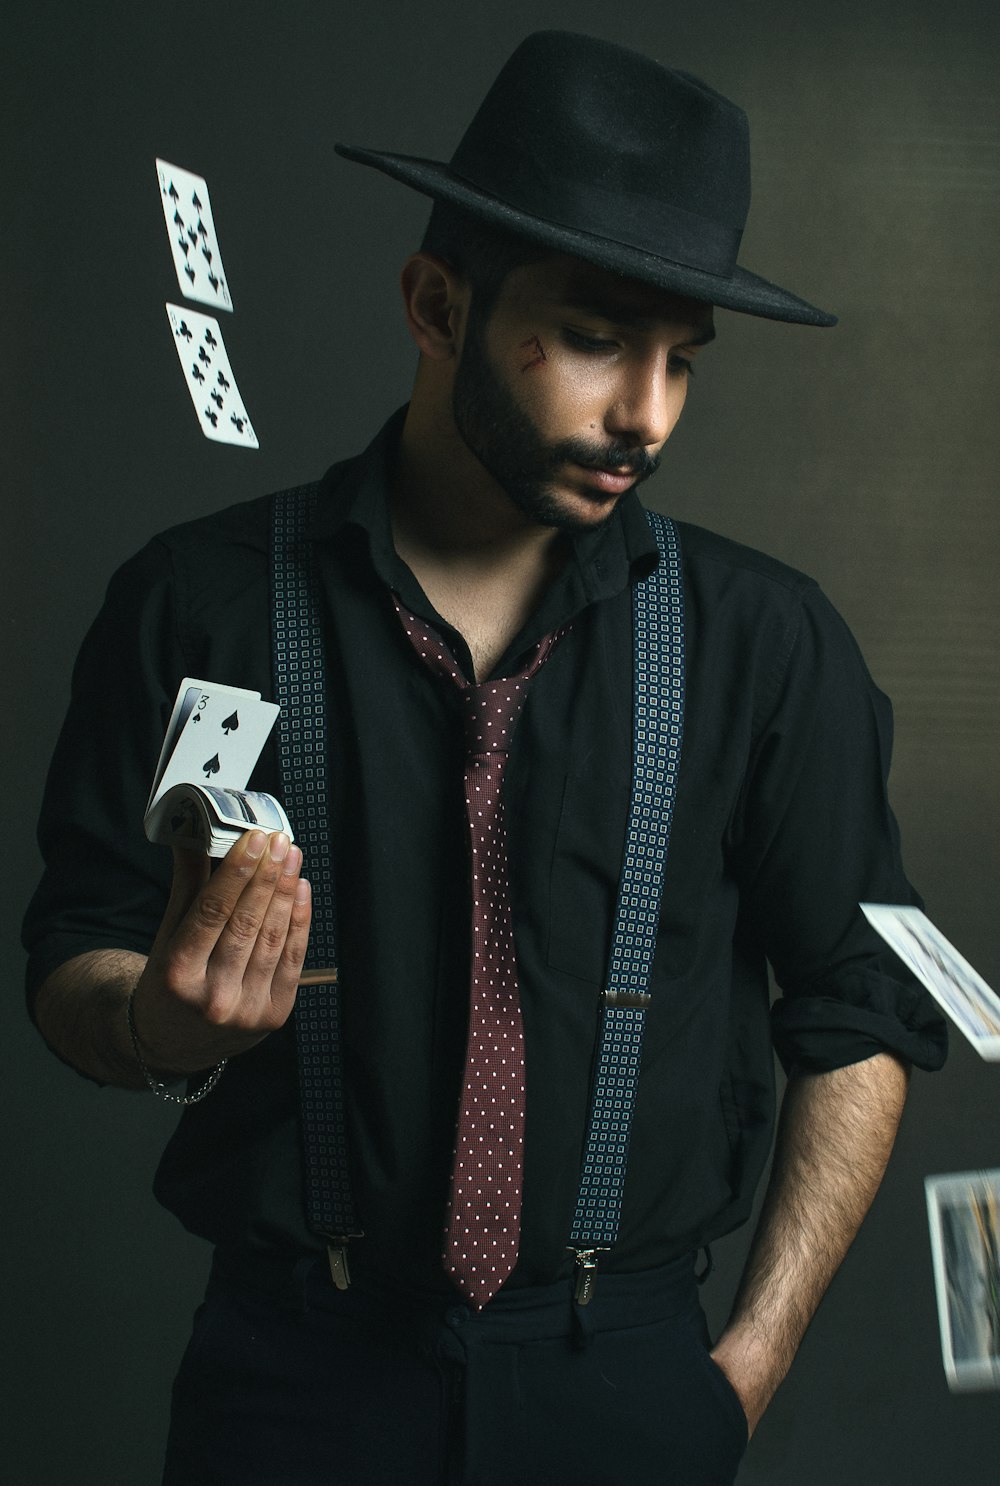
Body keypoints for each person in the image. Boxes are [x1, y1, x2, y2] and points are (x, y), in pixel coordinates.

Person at [24, 30, 947, 1486]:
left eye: (680, 361)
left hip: (628, 1379)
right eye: (595, 340)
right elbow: (73, 945)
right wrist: (158, 1024)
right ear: (436, 302)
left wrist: (742, 1371)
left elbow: (859, 1010)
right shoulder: (192, 599)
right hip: (291, 1385)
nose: (647, 413)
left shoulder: (771, 643)